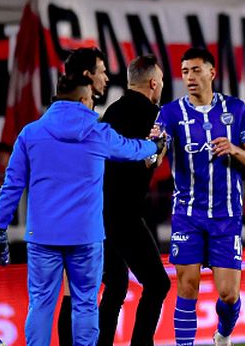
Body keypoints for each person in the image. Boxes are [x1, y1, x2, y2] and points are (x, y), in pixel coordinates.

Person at [0, 72, 163, 346]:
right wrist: (154, 145)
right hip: (85, 236)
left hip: (44, 235)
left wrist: (0, 228)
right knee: (85, 305)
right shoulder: (97, 133)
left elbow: (13, 185)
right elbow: (131, 149)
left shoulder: (31, 134)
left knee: (42, 306)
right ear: (84, 99)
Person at [156, 47, 245, 346]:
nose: (189, 77)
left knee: (229, 294)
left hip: (226, 215)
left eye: (196, 70)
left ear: (212, 73)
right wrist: (153, 147)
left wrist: (235, 148)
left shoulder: (236, 109)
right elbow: (157, 150)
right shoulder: (170, 113)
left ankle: (223, 334)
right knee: (187, 287)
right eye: (185, 71)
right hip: (187, 214)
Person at [97, 55, 170, 346]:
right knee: (157, 283)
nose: (161, 85)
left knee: (115, 286)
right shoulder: (153, 114)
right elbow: (151, 159)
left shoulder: (111, 112)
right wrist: (159, 149)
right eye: (161, 81)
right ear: (153, 83)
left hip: (100, 211)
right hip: (125, 213)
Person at [57, 46, 110, 346]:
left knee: (74, 292)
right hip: (80, 217)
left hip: (68, 215)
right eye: (101, 70)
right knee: (81, 294)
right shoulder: (82, 120)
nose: (106, 77)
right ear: (88, 77)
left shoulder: (63, 114)